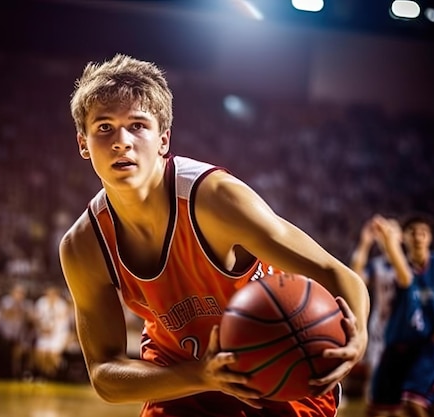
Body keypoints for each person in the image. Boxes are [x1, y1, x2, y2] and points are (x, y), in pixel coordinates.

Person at [58, 54, 370, 417]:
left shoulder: (215, 198)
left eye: (138, 125)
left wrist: (359, 335)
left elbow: (335, 274)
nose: (121, 141)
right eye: (105, 127)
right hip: (183, 374)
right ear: (83, 143)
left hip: (275, 361)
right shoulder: (83, 247)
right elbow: (103, 373)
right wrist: (203, 375)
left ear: (163, 139)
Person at [368, 213, 434, 417]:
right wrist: (385, 239)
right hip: (396, 345)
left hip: (428, 345)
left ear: (430, 238)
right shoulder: (396, 269)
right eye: (413, 232)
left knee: (413, 403)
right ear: (404, 237)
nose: (418, 237)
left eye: (423, 233)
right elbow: (400, 269)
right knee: (375, 409)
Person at [349, 216, 401, 393]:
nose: (385, 235)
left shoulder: (409, 264)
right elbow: (354, 278)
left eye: (392, 231)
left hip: (405, 328)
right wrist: (365, 243)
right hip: (381, 327)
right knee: (374, 385)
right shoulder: (377, 265)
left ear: (401, 237)